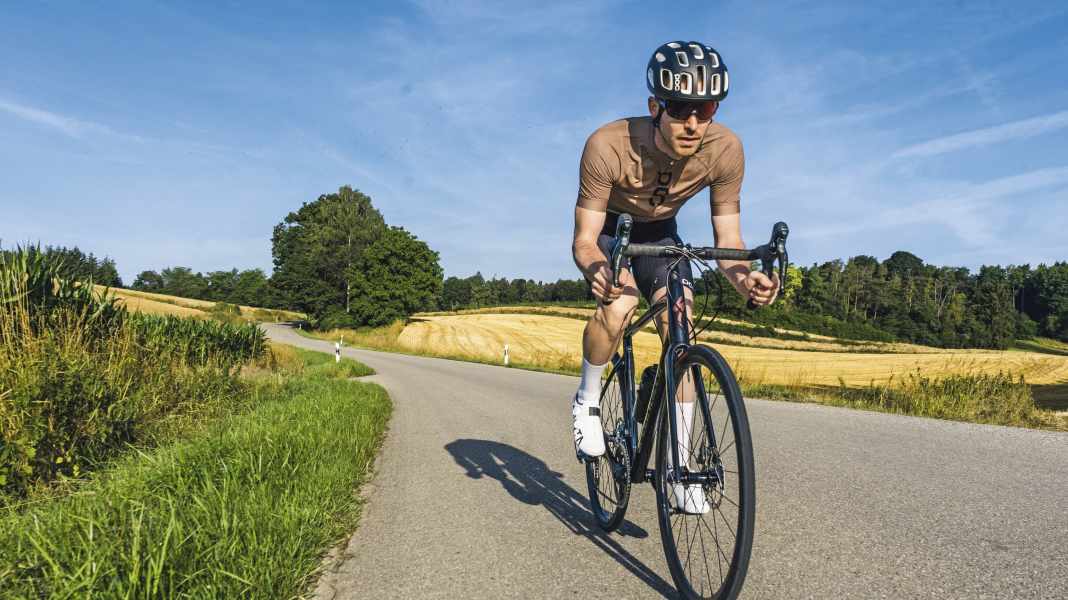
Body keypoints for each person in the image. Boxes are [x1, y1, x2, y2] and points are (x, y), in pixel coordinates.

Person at [570, 41, 779, 513]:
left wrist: (747, 280)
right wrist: (599, 271)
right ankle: (586, 399)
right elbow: (584, 238)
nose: (692, 123)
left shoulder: (726, 151)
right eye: (680, 108)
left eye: (704, 109)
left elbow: (728, 241)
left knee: (679, 328)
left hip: (662, 238)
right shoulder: (607, 144)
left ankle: (680, 468)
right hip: (611, 232)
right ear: (654, 107)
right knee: (620, 307)